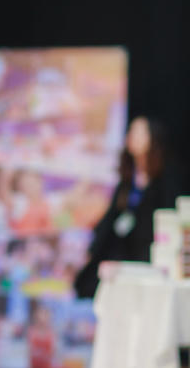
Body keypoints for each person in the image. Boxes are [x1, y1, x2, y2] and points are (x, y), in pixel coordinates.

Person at [74, 116, 179, 298]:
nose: (132, 137)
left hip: (149, 255)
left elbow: (168, 218)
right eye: (131, 132)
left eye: (139, 132)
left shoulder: (165, 177)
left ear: (152, 138)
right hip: (121, 252)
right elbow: (111, 217)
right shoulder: (128, 179)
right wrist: (93, 248)